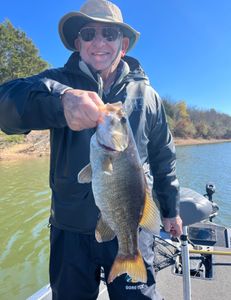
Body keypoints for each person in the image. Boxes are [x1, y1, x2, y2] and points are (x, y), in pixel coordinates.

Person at [0, 0, 182, 299]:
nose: (99, 41)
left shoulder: (148, 96)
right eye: (89, 33)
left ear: (123, 45)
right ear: (77, 43)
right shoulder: (54, 82)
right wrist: (60, 102)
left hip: (131, 225)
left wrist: (171, 210)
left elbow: (164, 157)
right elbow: (5, 105)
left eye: (109, 34)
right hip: (70, 229)